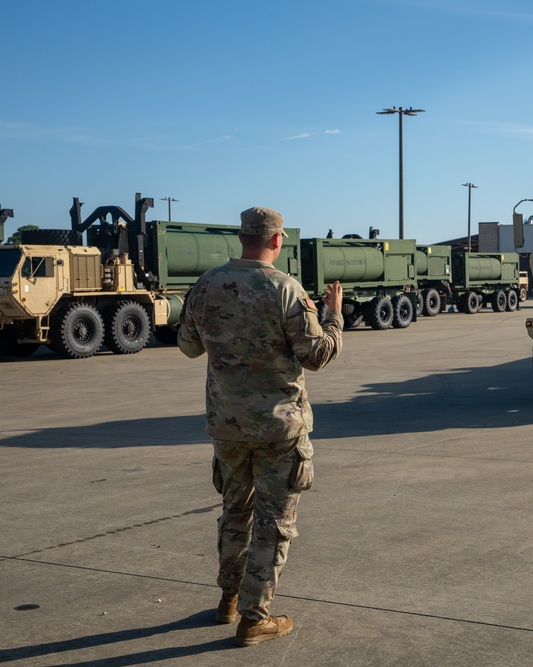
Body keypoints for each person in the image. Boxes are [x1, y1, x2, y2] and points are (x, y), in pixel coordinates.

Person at [177, 206, 343, 647]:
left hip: (227, 426)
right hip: (278, 430)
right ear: (277, 240)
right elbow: (317, 355)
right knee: (274, 522)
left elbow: (189, 347)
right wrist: (333, 317)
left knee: (235, 513)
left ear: (241, 237)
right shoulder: (286, 289)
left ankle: (228, 600)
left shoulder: (207, 284)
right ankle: (255, 617)